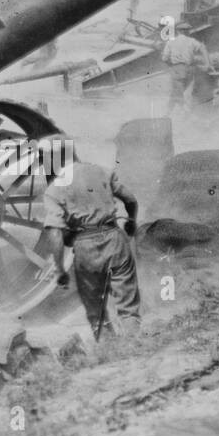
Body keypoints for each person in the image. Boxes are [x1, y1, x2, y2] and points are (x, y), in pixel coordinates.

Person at [41, 138, 141, 340]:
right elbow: (130, 199)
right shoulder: (102, 171)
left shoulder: (54, 189)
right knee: (128, 306)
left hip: (85, 247)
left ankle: (110, 356)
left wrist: (60, 269)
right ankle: (135, 349)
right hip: (115, 239)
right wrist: (131, 220)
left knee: (96, 311)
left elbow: (55, 233)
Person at [160, 23, 216, 111]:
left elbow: (164, 58)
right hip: (189, 69)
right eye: (188, 30)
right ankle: (185, 111)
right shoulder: (192, 41)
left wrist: (171, 65)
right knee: (188, 92)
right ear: (186, 31)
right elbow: (203, 48)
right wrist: (207, 64)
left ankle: (172, 112)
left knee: (176, 92)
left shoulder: (170, 42)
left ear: (178, 31)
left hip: (177, 69)